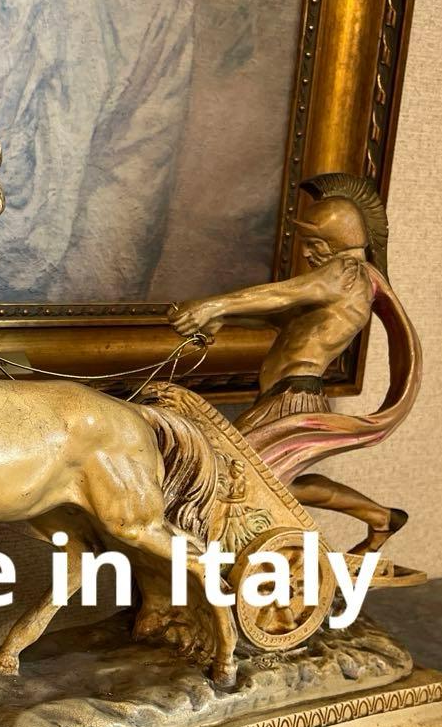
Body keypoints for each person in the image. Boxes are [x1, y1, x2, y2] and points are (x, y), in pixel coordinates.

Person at [168, 174, 417, 556]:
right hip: (279, 397)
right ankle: (380, 516)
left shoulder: (348, 273)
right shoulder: (334, 288)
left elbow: (285, 293)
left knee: (232, 474)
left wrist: (214, 305)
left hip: (294, 398)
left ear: (341, 243)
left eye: (316, 245)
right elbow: (279, 315)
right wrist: (226, 317)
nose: (307, 254)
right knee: (268, 481)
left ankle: (374, 518)